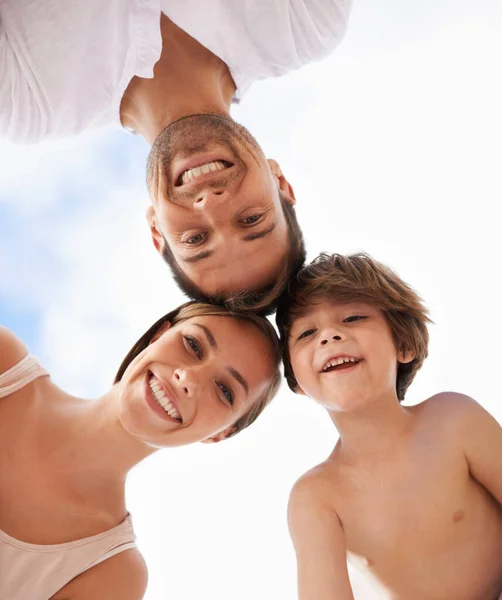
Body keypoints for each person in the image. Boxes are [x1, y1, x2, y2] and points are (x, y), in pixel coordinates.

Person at [0, 1, 352, 312]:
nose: (211, 204)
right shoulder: (304, 22)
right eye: (251, 219)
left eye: (196, 239)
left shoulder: (25, 100)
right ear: (280, 183)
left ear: (157, 230)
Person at [0, 302, 281, 599]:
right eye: (193, 345)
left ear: (221, 434)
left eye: (224, 390)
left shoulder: (111, 574)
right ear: (159, 334)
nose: (187, 379)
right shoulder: (5, 364)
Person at [275, 253, 502, 600]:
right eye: (307, 332)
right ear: (297, 382)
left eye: (352, 317)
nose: (330, 336)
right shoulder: (316, 498)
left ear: (404, 344)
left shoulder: (453, 420)